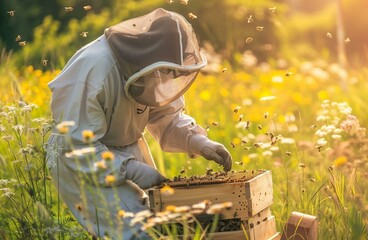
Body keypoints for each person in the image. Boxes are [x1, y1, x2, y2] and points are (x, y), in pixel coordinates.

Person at [46, 8, 232, 239]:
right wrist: (131, 169)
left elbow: (166, 116)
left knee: (160, 225)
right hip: (80, 161)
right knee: (138, 232)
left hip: (123, 149)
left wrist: (198, 141)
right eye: (168, 70)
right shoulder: (94, 69)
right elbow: (77, 144)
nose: (169, 76)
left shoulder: (152, 64)